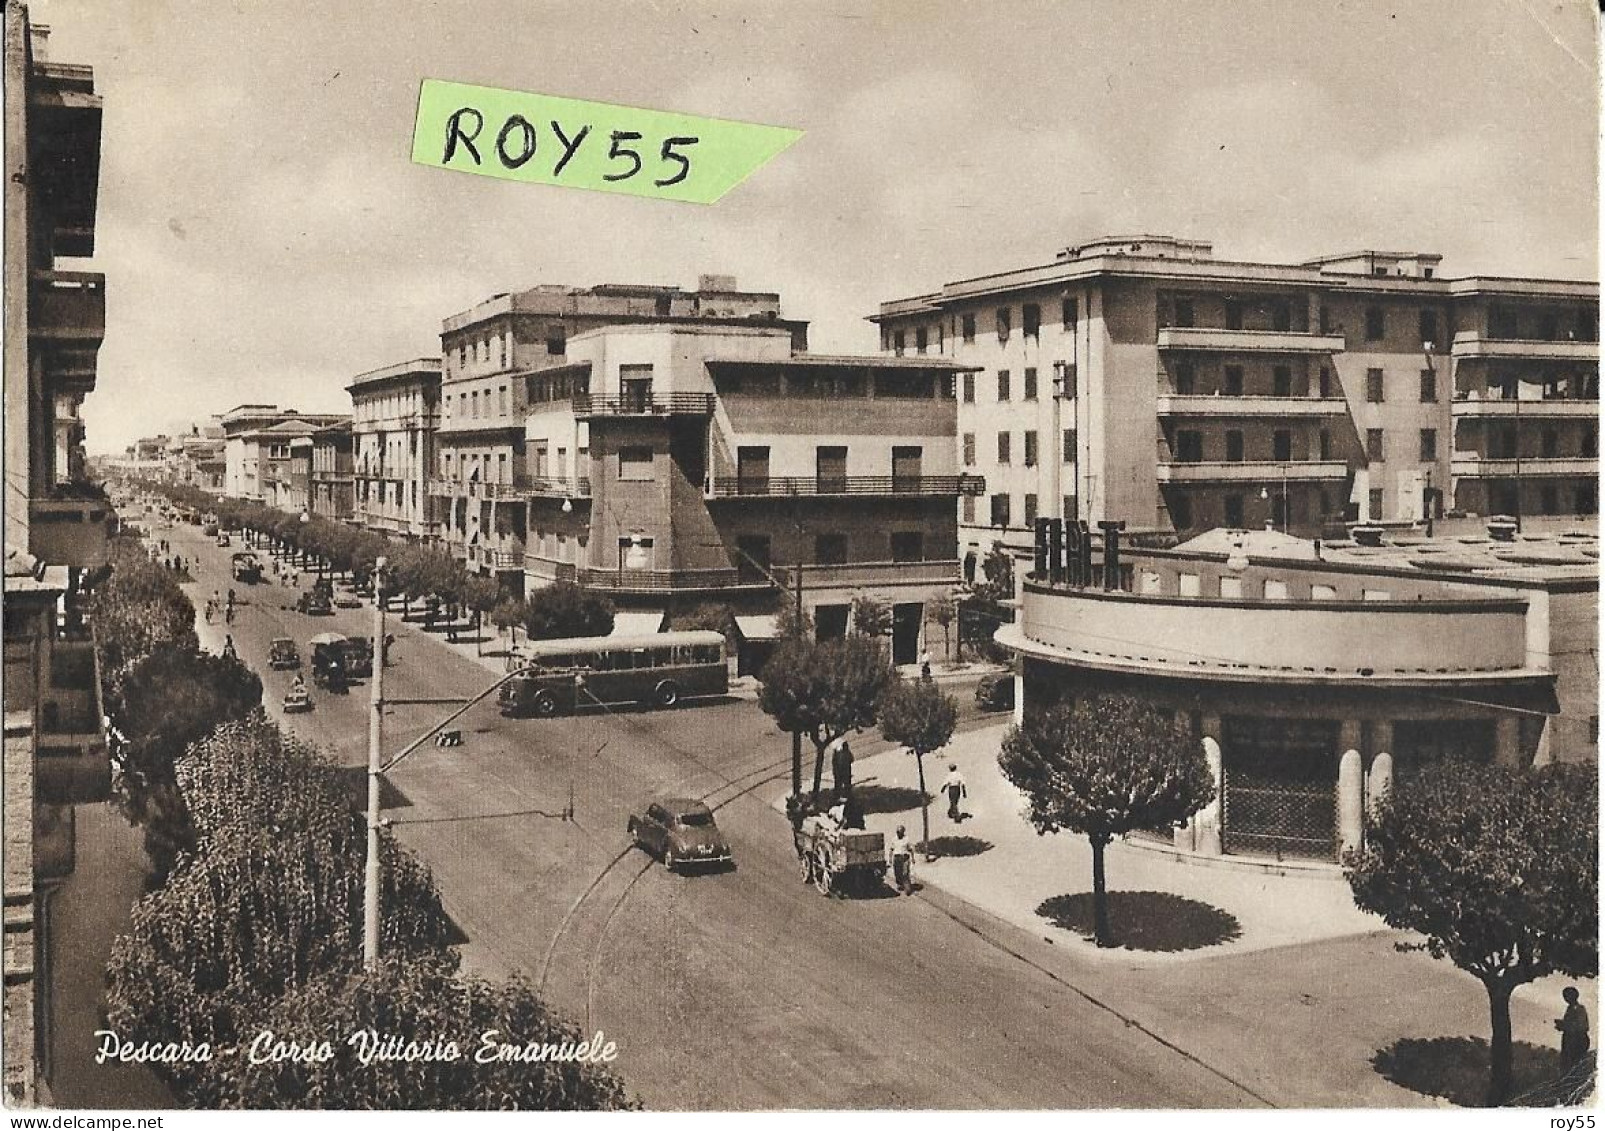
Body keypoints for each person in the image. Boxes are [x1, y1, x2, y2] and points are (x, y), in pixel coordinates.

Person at [1557, 986, 1591, 1073]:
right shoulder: (1569, 1009)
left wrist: (1565, 1026)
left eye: (1567, 996)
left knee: (1574, 1066)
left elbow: (1582, 1026)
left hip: (1577, 1041)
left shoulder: (1579, 1009)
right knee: (1567, 1066)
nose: (1565, 998)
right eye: (1564, 996)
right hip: (1569, 1040)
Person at [888, 824, 914, 895]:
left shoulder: (906, 839)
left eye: (900, 832)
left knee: (905, 873)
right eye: (897, 832)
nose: (899, 834)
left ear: (903, 832)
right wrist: (890, 859)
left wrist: (913, 858)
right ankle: (900, 884)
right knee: (897, 872)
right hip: (897, 858)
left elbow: (910, 849)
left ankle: (908, 889)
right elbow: (891, 849)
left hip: (905, 858)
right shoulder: (894, 839)